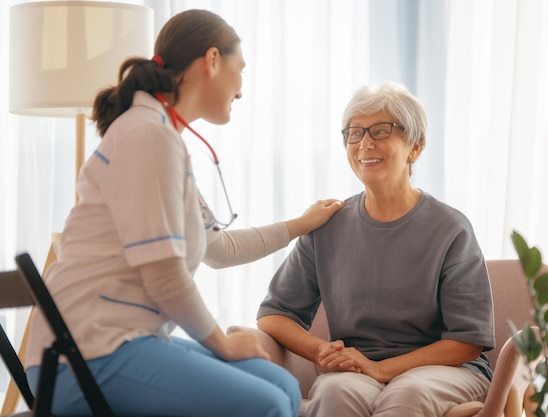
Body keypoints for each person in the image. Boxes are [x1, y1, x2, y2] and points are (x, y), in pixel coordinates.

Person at [24, 9, 343, 417]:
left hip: (114, 343)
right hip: (86, 355)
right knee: (266, 403)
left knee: (280, 383)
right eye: (239, 69)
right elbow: (163, 273)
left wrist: (301, 224)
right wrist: (222, 343)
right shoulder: (148, 136)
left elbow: (218, 248)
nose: (241, 89)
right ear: (212, 60)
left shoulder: (161, 136)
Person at [257, 81, 495, 417]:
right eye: (354, 133)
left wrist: (383, 369)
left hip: (445, 372)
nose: (365, 143)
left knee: (407, 395)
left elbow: (467, 341)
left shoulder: (451, 228)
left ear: (416, 147)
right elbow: (274, 315)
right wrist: (323, 351)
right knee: (335, 391)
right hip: (356, 369)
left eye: (381, 131)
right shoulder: (326, 227)